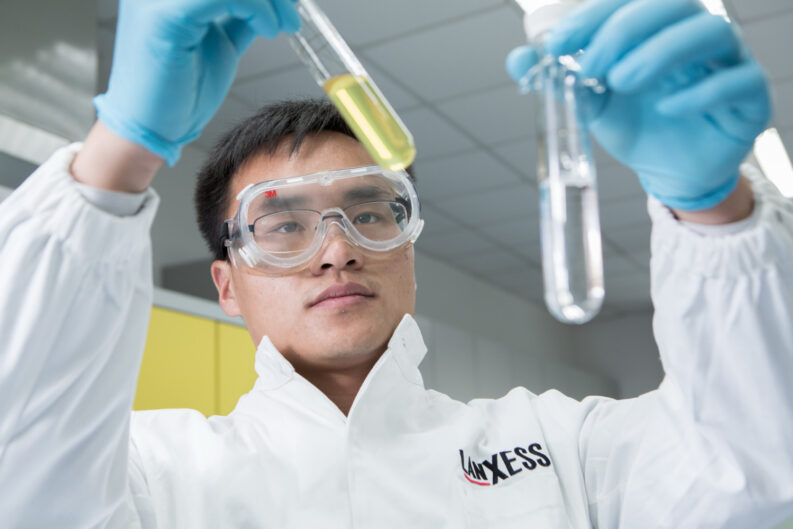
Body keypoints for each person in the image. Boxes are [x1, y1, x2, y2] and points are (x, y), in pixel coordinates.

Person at [1, 0, 792, 527]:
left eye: (371, 212)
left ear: (407, 247)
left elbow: (750, 469)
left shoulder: (562, 447)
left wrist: (713, 209)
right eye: (283, 224)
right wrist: (121, 152)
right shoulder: (155, 471)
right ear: (227, 285)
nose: (337, 247)